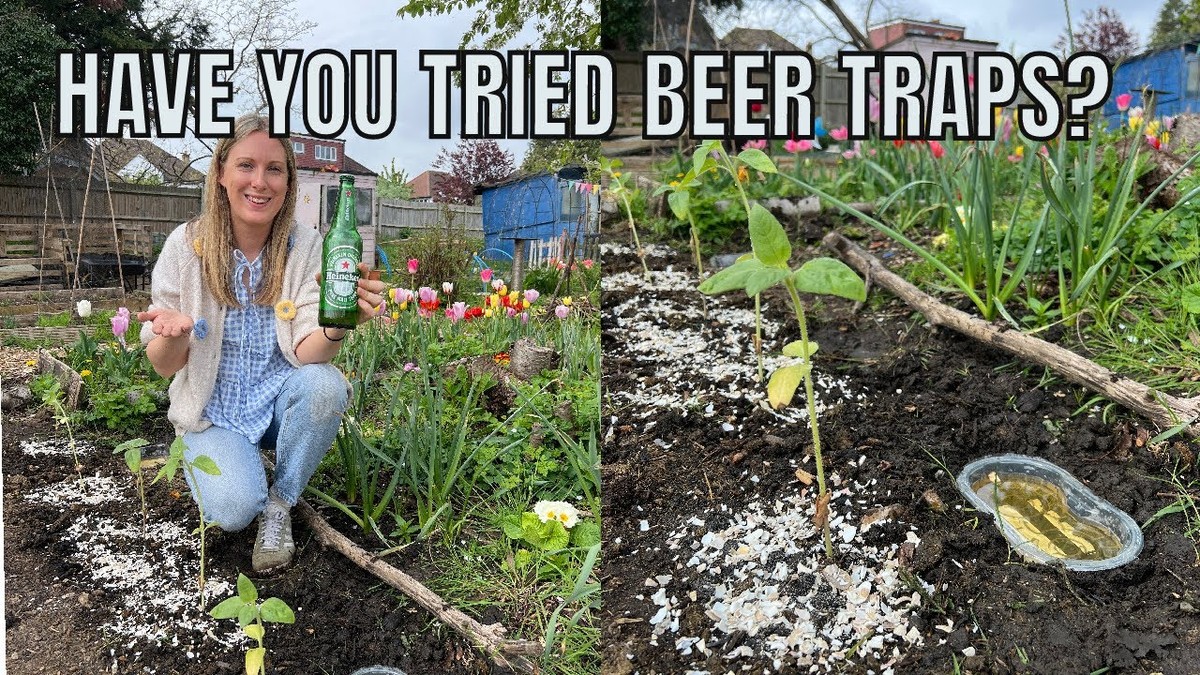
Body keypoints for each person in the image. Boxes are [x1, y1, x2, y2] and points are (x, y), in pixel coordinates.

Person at [136, 113, 386, 573]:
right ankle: (229, 466)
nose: (260, 182)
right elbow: (163, 366)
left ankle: (280, 502)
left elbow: (310, 351)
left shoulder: (306, 246)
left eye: (274, 169)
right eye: (246, 165)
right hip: (213, 413)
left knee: (326, 386)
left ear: (289, 183)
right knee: (232, 512)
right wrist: (176, 332)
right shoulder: (185, 246)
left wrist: (339, 322)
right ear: (221, 173)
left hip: (277, 405)